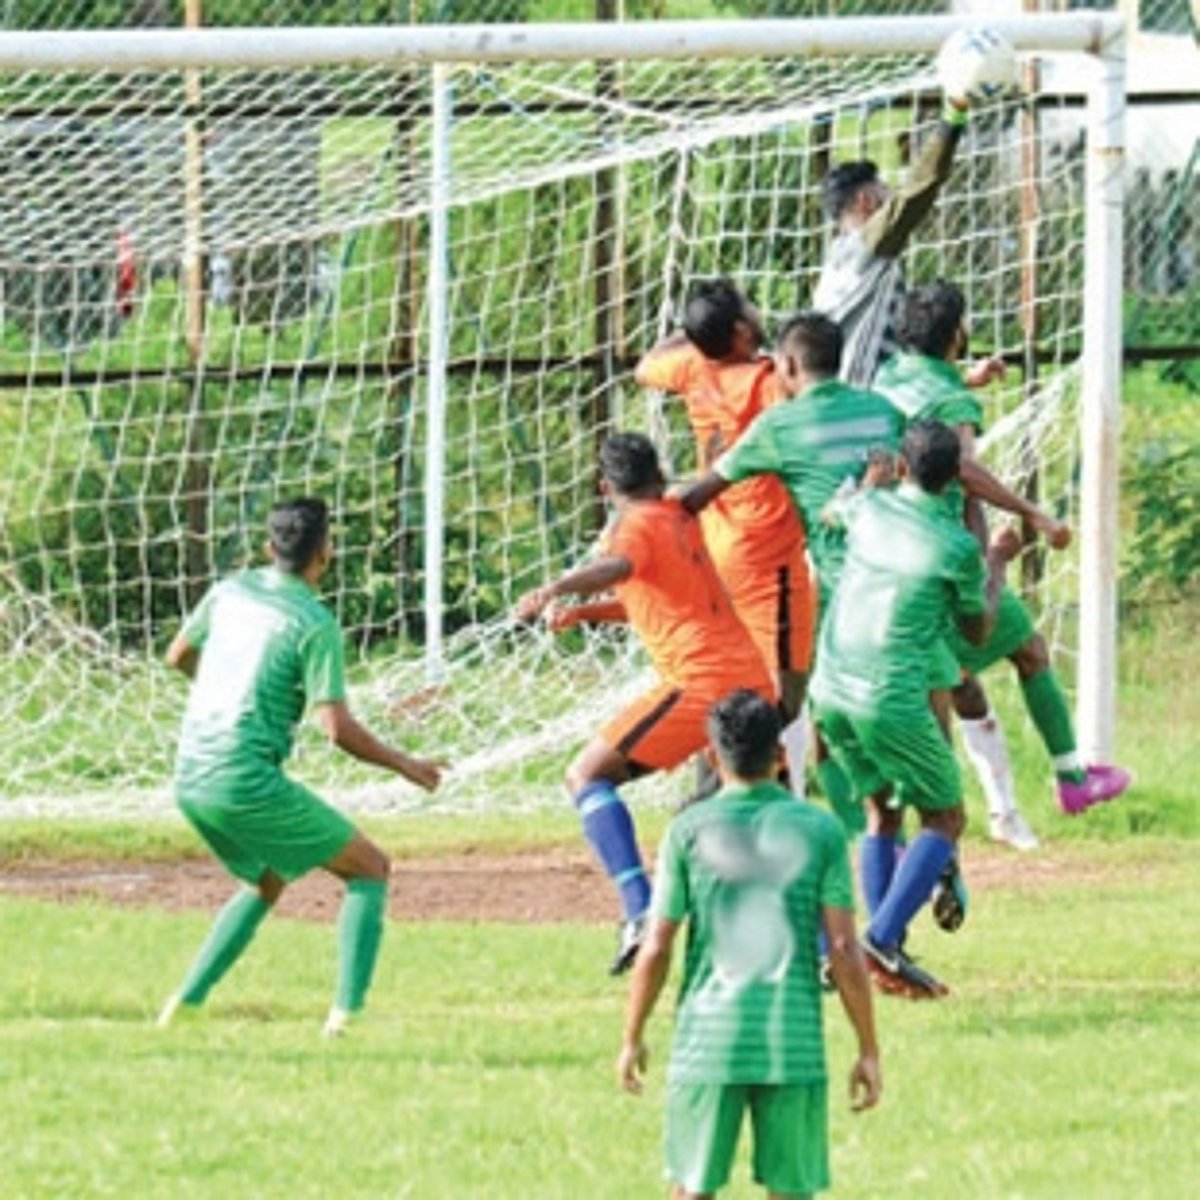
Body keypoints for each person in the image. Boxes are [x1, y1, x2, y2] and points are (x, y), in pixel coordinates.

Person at [157, 497, 444, 1037]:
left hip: (191, 773)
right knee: (369, 869)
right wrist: (406, 765)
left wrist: (224, 691)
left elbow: (177, 655)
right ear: (326, 554)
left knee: (264, 880)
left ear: (269, 547)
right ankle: (347, 1021)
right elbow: (337, 729)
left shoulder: (228, 591)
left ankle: (186, 1005)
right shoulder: (314, 623)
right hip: (243, 779)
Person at [514, 433, 774, 976]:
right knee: (749, 819)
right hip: (749, 677)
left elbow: (618, 568)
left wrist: (558, 587)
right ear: (657, 473)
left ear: (605, 487)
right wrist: (587, 614)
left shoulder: (632, 527)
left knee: (586, 776)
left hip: (701, 683)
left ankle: (638, 911)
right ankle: (817, 950)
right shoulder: (677, 514)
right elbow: (656, 596)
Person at [875, 281, 1131, 827]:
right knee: (1017, 656)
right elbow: (963, 467)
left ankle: (933, 810)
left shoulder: (892, 375)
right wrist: (1034, 514)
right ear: (955, 333)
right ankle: (1066, 783)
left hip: (891, 545)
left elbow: (922, 410)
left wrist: (969, 379)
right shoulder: (954, 402)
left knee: (951, 681)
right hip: (945, 553)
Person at [618, 688, 881, 1199]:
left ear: (711, 757)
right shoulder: (821, 830)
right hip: (793, 1041)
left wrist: (633, 1035)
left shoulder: (688, 831)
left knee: (691, 1188)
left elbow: (656, 945)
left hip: (708, 1041)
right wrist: (868, 1048)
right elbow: (846, 950)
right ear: (782, 757)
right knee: (792, 1188)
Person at [810, 420, 1017, 999]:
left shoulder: (868, 510)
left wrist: (867, 485)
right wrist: (997, 560)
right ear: (956, 478)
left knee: (879, 811)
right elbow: (977, 632)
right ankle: (880, 941)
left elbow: (830, 513)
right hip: (887, 694)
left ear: (901, 466)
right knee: (946, 818)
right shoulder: (956, 546)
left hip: (829, 688)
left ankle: (879, 948)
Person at [678, 311, 904, 835]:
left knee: (805, 710)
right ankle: (911, 847)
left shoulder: (779, 426)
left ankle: (713, 809)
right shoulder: (885, 411)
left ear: (789, 364)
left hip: (847, 597)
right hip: (908, 586)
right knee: (899, 718)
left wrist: (640, 510)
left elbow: (697, 494)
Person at [635, 278, 816, 785]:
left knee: (732, 679)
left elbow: (645, 365)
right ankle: (733, 796)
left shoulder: (691, 367)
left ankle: (723, 788)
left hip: (714, 545)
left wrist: (693, 331)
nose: (759, 312)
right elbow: (811, 384)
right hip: (765, 552)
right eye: (749, 309)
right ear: (741, 332)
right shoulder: (764, 382)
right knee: (781, 698)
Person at [812, 89, 970, 387]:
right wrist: (953, 117)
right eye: (884, 189)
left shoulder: (839, 258)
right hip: (858, 402)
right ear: (866, 200)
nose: (891, 195)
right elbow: (917, 192)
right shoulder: (866, 247)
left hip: (845, 397)